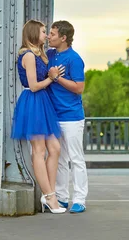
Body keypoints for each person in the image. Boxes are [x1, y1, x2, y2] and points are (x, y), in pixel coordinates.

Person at [11, 19, 66, 214]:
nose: (47, 35)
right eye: (44, 32)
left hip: (41, 102)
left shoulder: (39, 55)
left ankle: (49, 194)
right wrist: (51, 78)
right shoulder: (28, 56)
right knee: (39, 150)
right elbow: (33, 86)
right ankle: (50, 197)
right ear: (35, 34)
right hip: (33, 101)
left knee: (55, 148)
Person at [46, 20, 88, 213]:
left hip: (72, 117)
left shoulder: (74, 59)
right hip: (54, 116)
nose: (49, 36)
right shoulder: (50, 55)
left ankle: (80, 199)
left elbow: (79, 88)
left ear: (63, 38)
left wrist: (57, 78)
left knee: (76, 158)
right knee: (60, 159)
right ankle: (62, 197)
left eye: (53, 34)